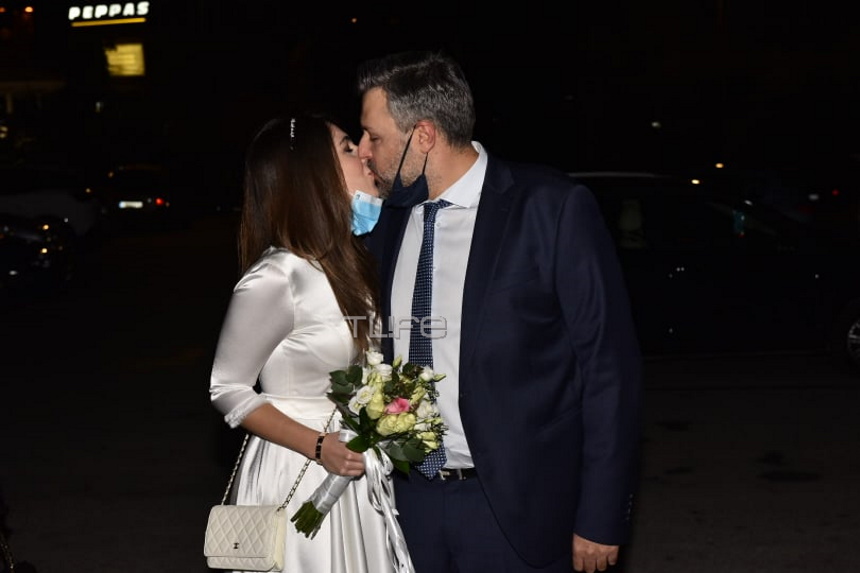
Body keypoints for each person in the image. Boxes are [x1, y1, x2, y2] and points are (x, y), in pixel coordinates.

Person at [356, 50, 643, 573]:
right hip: (406, 505)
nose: (363, 150)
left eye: (374, 137)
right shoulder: (387, 222)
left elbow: (608, 369)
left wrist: (601, 514)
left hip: (514, 508)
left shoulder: (550, 208)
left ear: (424, 135)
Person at [208, 112, 394, 572]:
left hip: (353, 464)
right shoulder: (278, 275)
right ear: (314, 175)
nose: (365, 154)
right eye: (348, 148)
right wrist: (318, 446)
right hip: (298, 467)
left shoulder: (350, 264)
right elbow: (227, 387)